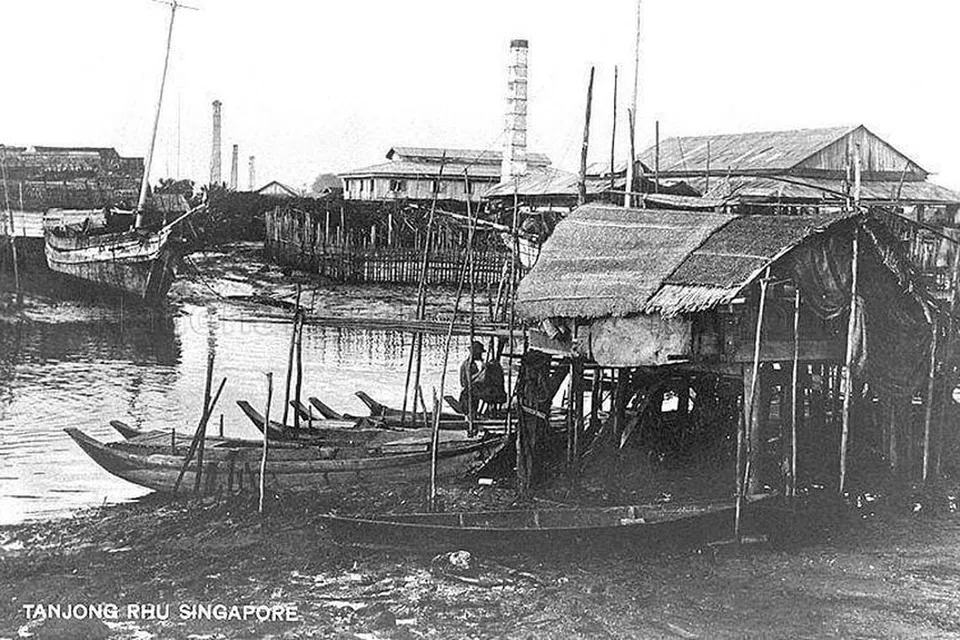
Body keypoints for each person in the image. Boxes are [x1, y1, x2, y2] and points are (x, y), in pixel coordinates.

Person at [458, 340, 506, 417]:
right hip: (468, 393)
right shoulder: (468, 364)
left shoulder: (474, 364)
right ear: (475, 353)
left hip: (473, 390)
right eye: (479, 353)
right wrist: (482, 371)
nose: (480, 355)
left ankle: (488, 411)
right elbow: (469, 380)